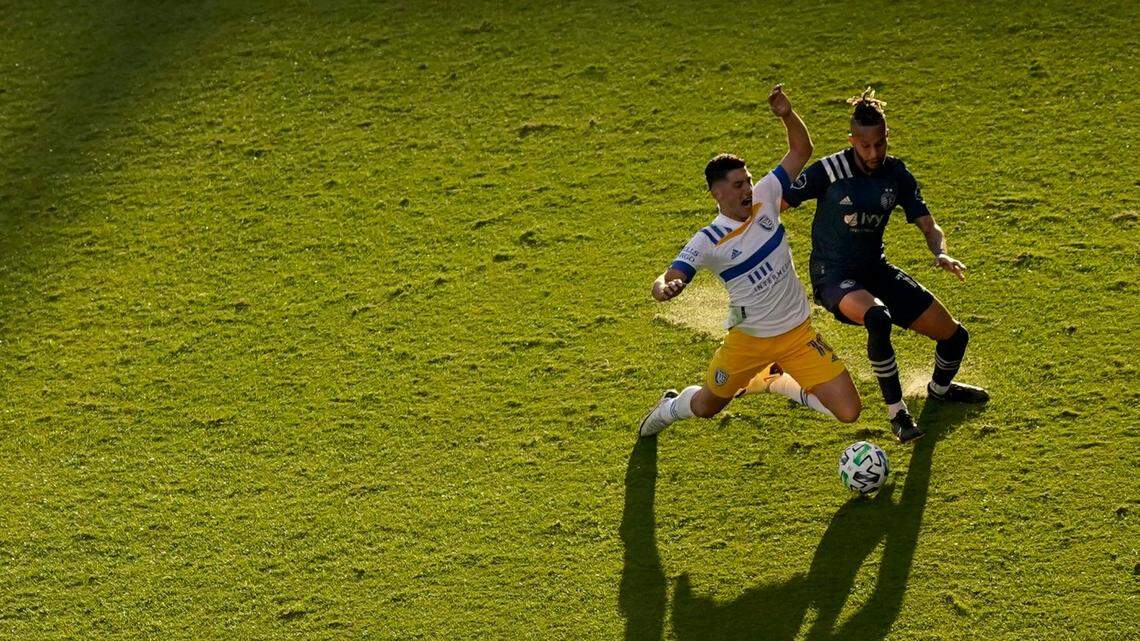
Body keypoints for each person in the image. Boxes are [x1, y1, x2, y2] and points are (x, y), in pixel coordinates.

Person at [638, 85, 861, 438]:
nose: (748, 189)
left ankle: (775, 381)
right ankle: (669, 407)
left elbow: (801, 150)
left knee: (849, 411)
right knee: (706, 407)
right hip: (748, 342)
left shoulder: (766, 197)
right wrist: (665, 288)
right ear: (718, 193)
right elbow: (668, 275)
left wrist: (787, 115)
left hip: (798, 335)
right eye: (739, 185)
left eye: (749, 181)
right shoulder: (708, 240)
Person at [781, 88, 989, 444]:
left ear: (887, 137)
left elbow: (929, 225)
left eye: (880, 144)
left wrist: (940, 251)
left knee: (955, 337)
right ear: (852, 141)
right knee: (878, 318)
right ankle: (898, 414)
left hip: (876, 271)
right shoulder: (829, 171)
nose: (874, 153)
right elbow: (778, 203)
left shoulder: (896, 174)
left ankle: (939, 391)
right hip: (834, 277)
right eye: (865, 146)